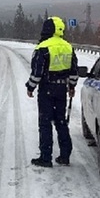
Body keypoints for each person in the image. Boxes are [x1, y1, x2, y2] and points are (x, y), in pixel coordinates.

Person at [26, 16, 78, 167]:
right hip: (61, 90)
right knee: (61, 122)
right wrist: (72, 87)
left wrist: (30, 87)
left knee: (45, 123)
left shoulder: (43, 47)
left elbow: (37, 73)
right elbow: (74, 71)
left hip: (46, 89)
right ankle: (65, 156)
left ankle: (45, 157)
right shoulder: (68, 47)